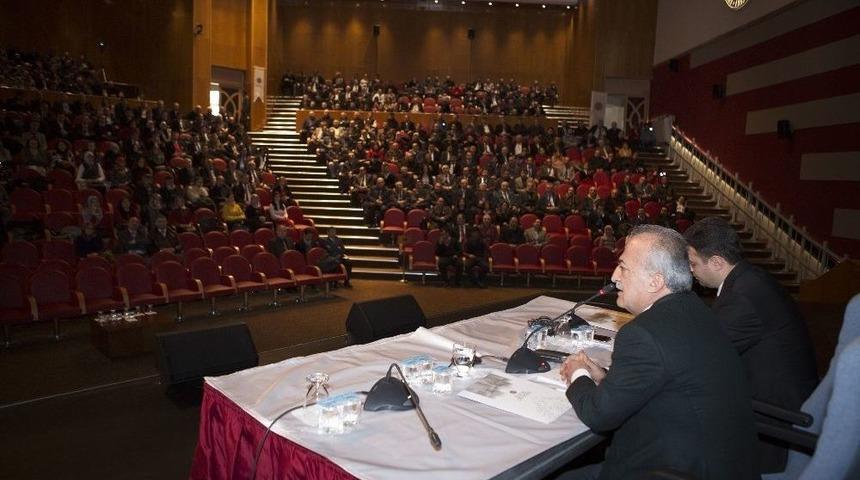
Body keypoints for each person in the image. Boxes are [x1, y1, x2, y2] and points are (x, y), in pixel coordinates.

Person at [559, 225, 758, 480]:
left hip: (675, 471)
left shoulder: (642, 334)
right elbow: (670, 376)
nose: (614, 277)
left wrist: (578, 374)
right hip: (723, 464)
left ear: (655, 281)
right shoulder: (696, 309)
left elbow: (598, 415)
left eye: (623, 267)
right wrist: (606, 376)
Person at [684, 216, 818, 473]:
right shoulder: (748, 279)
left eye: (693, 264)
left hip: (773, 423)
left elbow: (699, 356)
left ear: (716, 262)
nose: (691, 271)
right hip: (777, 401)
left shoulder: (742, 297)